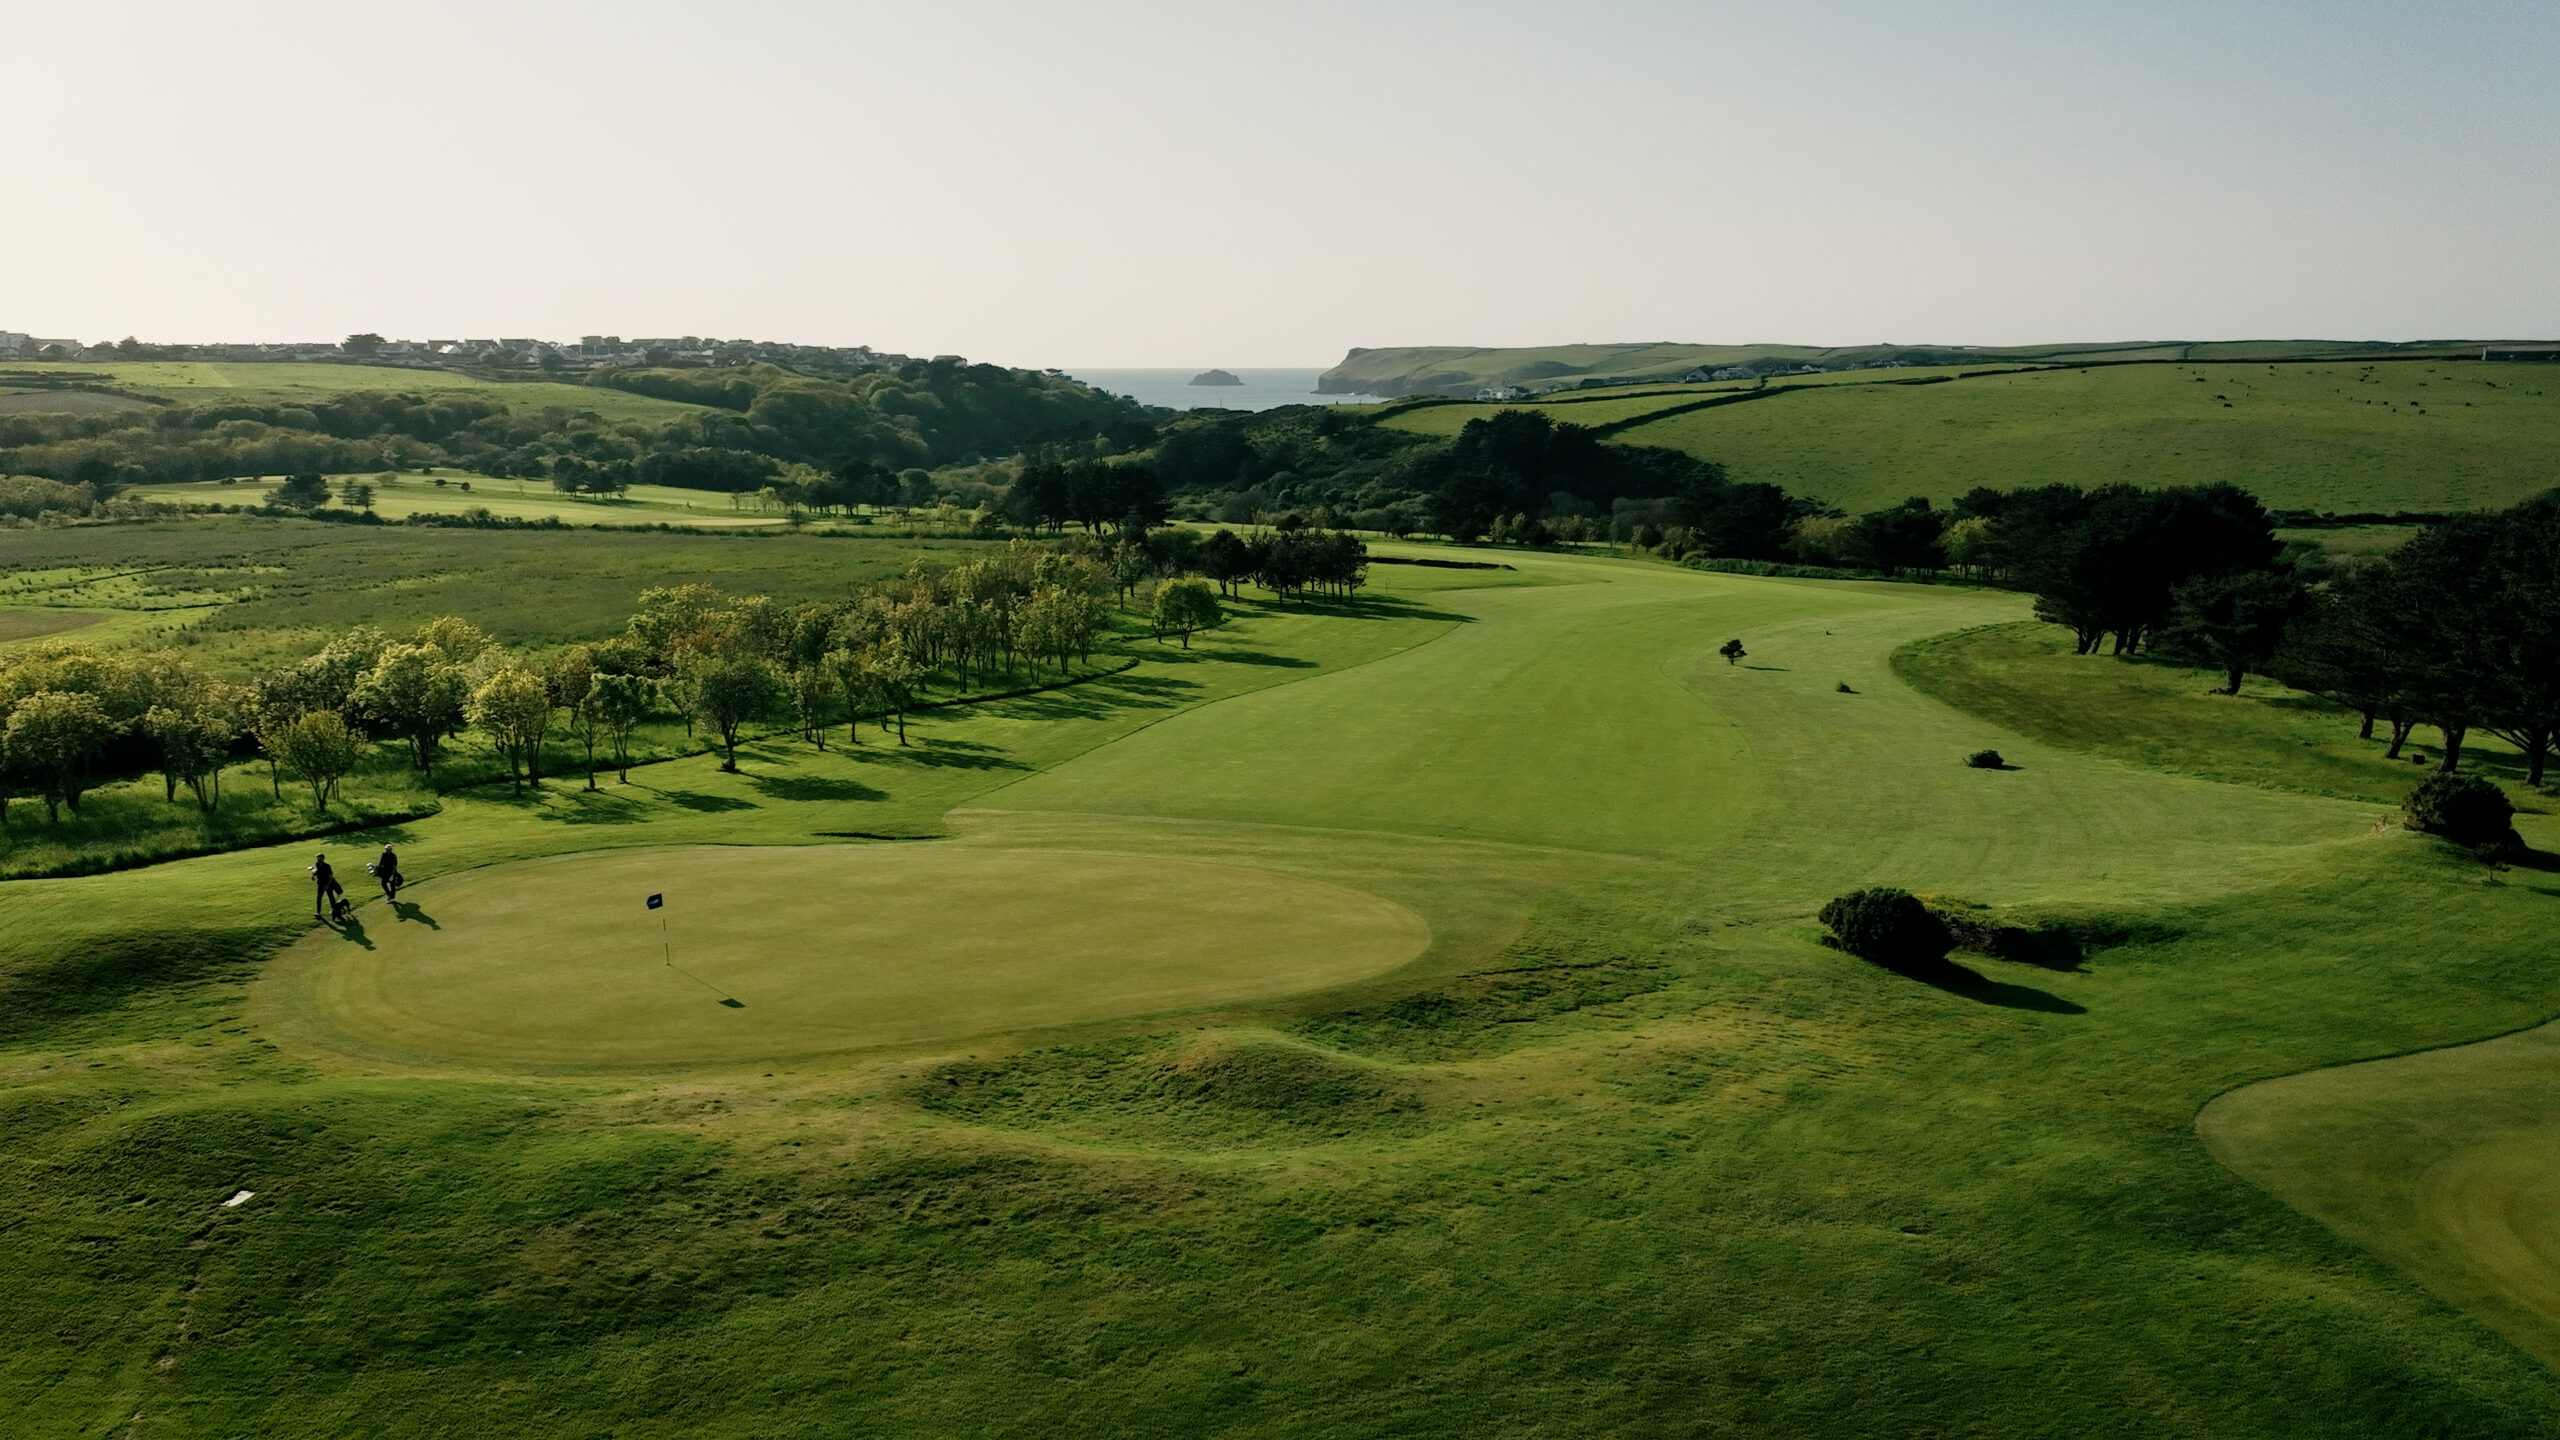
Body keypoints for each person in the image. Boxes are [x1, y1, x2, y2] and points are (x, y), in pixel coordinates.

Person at [308, 852, 345, 922]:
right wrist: (313, 876)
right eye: (317, 859)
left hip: (328, 884)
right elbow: (317, 871)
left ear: (323, 859)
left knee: (331, 898)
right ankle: (318, 913)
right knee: (319, 898)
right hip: (320, 884)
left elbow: (330, 877)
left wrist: (327, 885)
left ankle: (336, 911)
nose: (318, 860)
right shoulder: (317, 864)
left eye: (319, 859)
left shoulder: (327, 866)